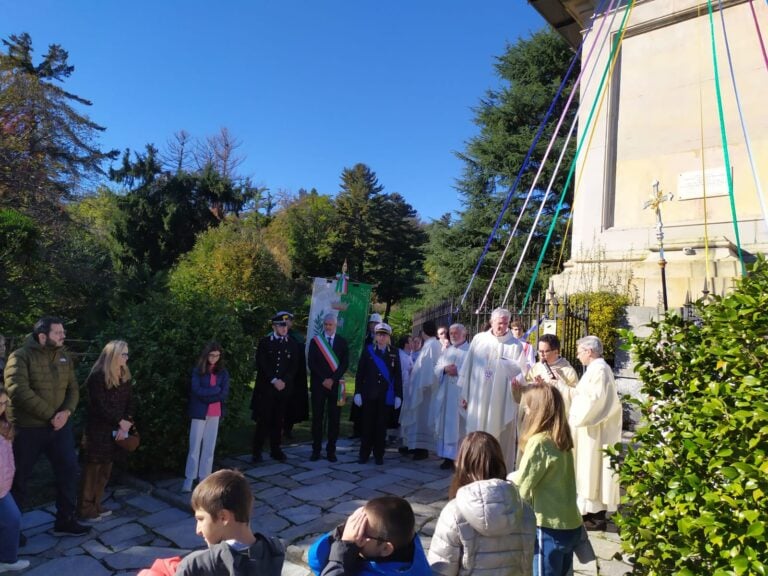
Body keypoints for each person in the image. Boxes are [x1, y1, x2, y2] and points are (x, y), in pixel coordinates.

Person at [4, 316, 89, 536]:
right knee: (19, 478)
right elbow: (18, 390)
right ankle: (12, 531)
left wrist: (66, 412)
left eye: (63, 332)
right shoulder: (20, 357)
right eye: (58, 332)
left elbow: (74, 389)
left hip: (59, 428)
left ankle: (65, 520)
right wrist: (52, 414)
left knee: (69, 471)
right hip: (27, 429)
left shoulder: (64, 356)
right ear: (42, 336)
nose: (63, 336)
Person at [428, 431, 535, 576]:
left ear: (463, 464)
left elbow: (441, 569)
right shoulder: (524, 510)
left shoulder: (454, 512)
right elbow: (526, 564)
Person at [510, 384, 582, 576]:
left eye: (527, 406)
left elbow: (523, 486)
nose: (524, 410)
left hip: (548, 527)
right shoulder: (561, 438)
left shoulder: (539, 442)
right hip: (569, 523)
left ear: (537, 411)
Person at [175, 469, 285, 576]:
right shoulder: (279, 552)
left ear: (223, 517)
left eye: (201, 519)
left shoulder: (195, 566)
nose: (198, 530)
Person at [458, 307, 528, 471]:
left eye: (505, 323)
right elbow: (468, 367)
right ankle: (475, 466)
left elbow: (521, 372)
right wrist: (464, 393)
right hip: (478, 396)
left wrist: (517, 381)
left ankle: (497, 468)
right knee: (477, 429)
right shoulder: (479, 340)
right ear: (491, 322)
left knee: (500, 433)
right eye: (499, 323)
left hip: (501, 400)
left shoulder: (514, 345)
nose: (502, 326)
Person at [78, 340, 135, 520]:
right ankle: (85, 509)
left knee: (105, 470)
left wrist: (126, 421)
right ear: (113, 355)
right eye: (123, 354)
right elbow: (99, 406)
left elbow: (130, 401)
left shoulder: (124, 373)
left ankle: (96, 503)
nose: (126, 357)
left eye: (127, 354)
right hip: (98, 431)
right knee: (92, 471)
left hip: (116, 432)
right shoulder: (97, 376)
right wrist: (120, 421)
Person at [570, 336, 622, 531]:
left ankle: (595, 515)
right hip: (588, 430)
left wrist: (577, 416)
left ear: (589, 351)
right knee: (587, 470)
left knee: (593, 470)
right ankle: (587, 511)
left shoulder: (599, 369)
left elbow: (596, 401)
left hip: (594, 430)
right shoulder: (594, 369)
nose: (578, 355)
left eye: (580, 351)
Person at [308, 496, 430, 576]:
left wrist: (341, 555)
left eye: (362, 532)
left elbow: (316, 561)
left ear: (386, 548)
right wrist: (341, 532)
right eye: (356, 524)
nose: (354, 533)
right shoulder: (409, 547)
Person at [251, 313, 299, 463]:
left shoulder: (292, 343)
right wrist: (273, 379)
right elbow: (262, 363)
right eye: (281, 325)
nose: (284, 328)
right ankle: (257, 451)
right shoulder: (265, 342)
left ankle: (275, 449)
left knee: (279, 421)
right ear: (274, 326)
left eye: (286, 326)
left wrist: (284, 381)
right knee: (263, 419)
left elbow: (294, 366)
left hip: (283, 389)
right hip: (267, 388)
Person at [182, 342, 230, 493]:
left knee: (209, 447)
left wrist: (211, 392)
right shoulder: (198, 371)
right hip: (199, 412)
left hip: (215, 413)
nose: (214, 358)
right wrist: (214, 391)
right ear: (206, 355)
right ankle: (189, 478)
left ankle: (204, 477)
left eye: (217, 355)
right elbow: (197, 390)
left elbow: (224, 393)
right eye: (211, 355)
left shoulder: (223, 373)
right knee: (194, 446)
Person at [354, 323, 402, 465]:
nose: (381, 337)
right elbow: (360, 374)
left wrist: (398, 395)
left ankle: (379, 455)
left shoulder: (394, 352)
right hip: (369, 394)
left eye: (384, 335)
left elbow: (397, 375)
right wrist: (357, 392)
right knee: (367, 425)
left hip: (385, 395)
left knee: (381, 426)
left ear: (388, 337)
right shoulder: (368, 351)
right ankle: (364, 454)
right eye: (379, 334)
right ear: (375, 335)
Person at [308, 313, 349, 463]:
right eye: (325, 324)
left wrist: (332, 379)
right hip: (319, 385)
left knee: (334, 419)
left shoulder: (342, 342)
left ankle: (331, 451)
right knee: (317, 419)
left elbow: (345, 363)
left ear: (335, 325)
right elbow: (312, 363)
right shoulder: (316, 341)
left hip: (336, 386)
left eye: (330, 324)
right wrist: (324, 379)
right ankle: (316, 450)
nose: (328, 327)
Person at [400, 321, 440, 461]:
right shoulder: (430, 344)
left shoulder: (432, 345)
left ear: (424, 332)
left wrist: (421, 385)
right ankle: (413, 445)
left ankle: (421, 448)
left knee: (421, 419)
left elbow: (428, 369)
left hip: (425, 391)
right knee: (417, 419)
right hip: (421, 388)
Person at [0, 385, 29, 572]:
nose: (1, 407)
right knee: (11, 518)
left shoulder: (5, 425)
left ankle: (7, 560)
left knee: (12, 519)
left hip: (3, 487)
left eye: (3, 403)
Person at [432, 324, 469, 470]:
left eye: (456, 333)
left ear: (464, 334)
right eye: (451, 333)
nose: (452, 335)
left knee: (460, 426)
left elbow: (474, 372)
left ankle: (460, 457)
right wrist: (445, 369)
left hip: (461, 394)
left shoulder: (471, 351)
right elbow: (436, 367)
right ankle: (447, 457)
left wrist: (458, 371)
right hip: (447, 394)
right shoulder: (447, 351)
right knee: (446, 425)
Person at [526, 334, 578, 413]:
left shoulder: (568, 371)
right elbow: (526, 387)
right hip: (537, 412)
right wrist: (535, 386)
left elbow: (575, 396)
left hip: (557, 413)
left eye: (546, 351)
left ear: (556, 352)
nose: (541, 354)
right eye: (540, 351)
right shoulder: (536, 367)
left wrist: (558, 384)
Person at [279, 311, 309, 442]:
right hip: (277, 379)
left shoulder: (297, 338)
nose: (286, 323)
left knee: (291, 405)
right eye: (283, 320)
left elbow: (300, 361)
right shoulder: (272, 337)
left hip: (293, 379)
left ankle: (288, 429)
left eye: (289, 320)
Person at [395, 336, 414, 455]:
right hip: (403, 388)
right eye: (411, 340)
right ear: (406, 344)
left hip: (408, 389)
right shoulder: (401, 356)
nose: (413, 343)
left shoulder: (408, 355)